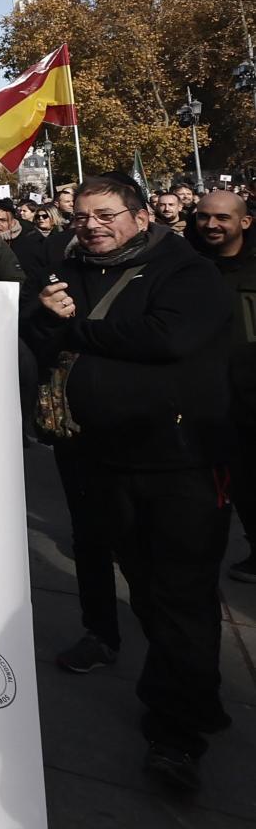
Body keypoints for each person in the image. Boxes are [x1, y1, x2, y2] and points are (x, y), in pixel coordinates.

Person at [26, 177, 231, 792]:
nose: (91, 225)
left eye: (107, 215)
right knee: (146, 588)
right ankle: (195, 697)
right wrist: (45, 319)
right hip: (104, 460)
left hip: (182, 465)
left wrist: (72, 329)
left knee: (181, 595)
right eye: (82, 216)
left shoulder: (186, 272)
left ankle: (176, 734)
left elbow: (166, 337)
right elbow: (40, 342)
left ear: (142, 217)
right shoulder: (71, 269)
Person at [191, 190, 256, 581]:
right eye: (204, 217)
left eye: (222, 218)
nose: (211, 225)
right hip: (210, 397)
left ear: (244, 222)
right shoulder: (186, 267)